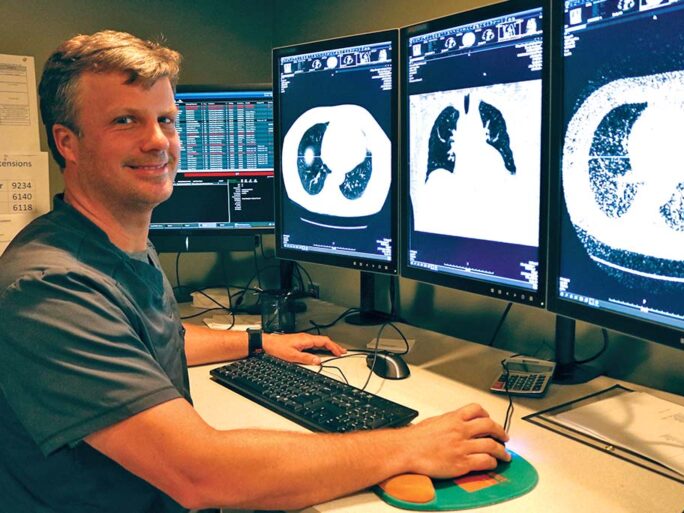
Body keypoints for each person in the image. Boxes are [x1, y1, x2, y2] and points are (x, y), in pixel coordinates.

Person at [0, 30, 510, 512]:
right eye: (125, 121)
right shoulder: (49, 289)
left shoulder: (110, 244)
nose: (159, 141)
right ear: (67, 142)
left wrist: (256, 343)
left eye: (167, 120)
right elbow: (200, 474)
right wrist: (408, 446)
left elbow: (152, 338)